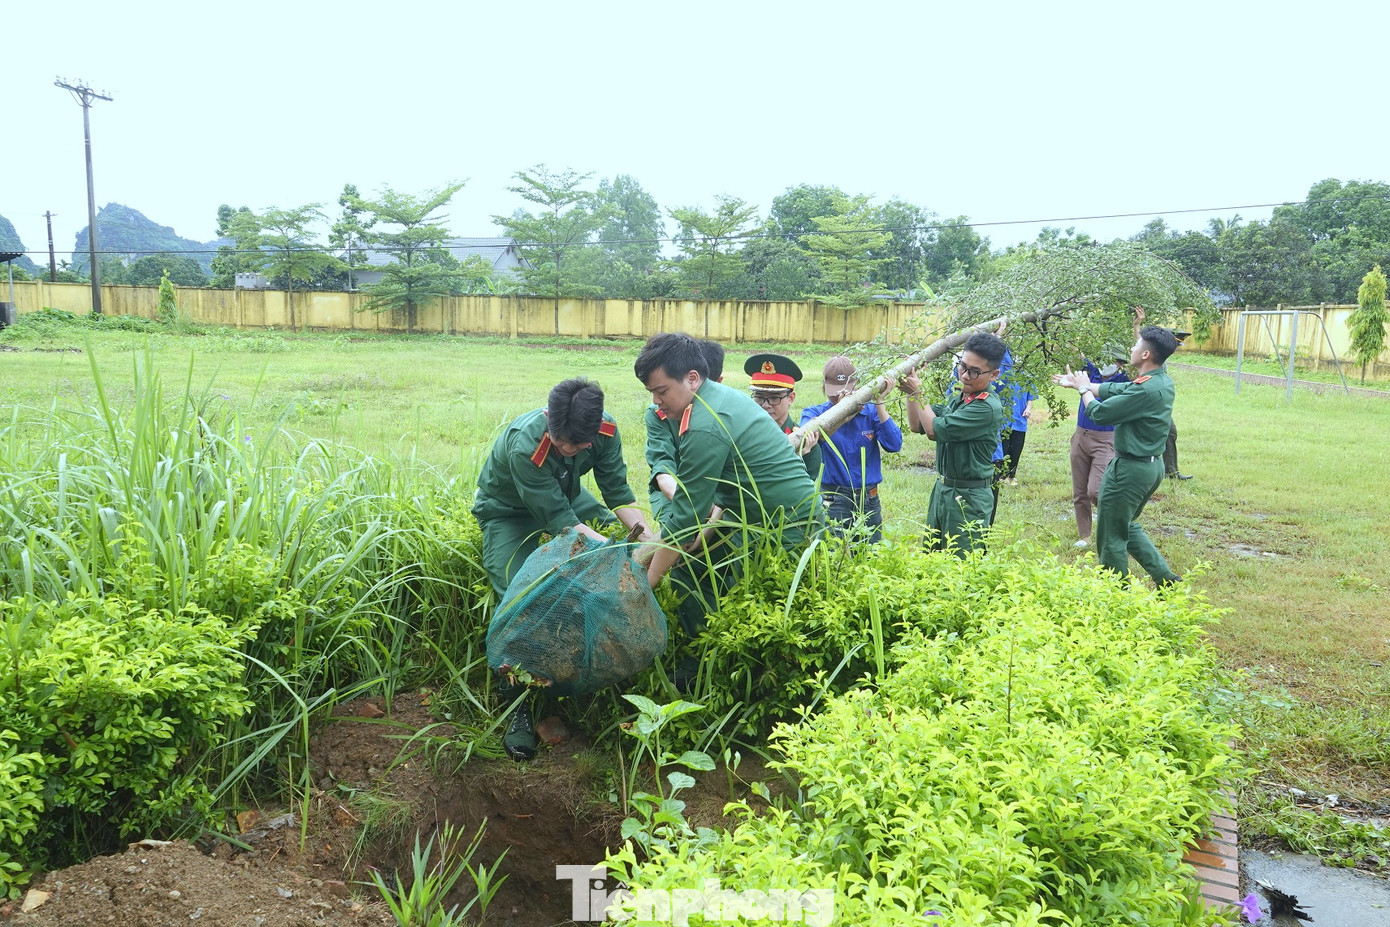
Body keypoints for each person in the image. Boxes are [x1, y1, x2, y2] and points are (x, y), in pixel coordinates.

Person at [472, 377, 652, 760]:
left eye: (576, 445)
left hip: (567, 498)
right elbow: (561, 521)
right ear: (550, 423)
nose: (567, 449)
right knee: (519, 597)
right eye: (561, 442)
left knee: (613, 553)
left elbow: (617, 492)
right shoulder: (528, 446)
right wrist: (607, 549)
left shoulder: (606, 430)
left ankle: (593, 672)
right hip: (509, 512)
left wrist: (647, 539)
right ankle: (518, 704)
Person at [634, 333, 819, 673]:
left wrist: (645, 584)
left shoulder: (704, 424)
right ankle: (706, 663)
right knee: (701, 570)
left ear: (692, 379)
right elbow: (716, 499)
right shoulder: (717, 399)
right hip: (759, 519)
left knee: (769, 617)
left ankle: (706, 672)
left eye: (662, 392)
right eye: (653, 394)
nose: (658, 402)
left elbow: (686, 518)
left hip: (784, 530)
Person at [1053, 325, 1183, 587]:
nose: (1132, 349)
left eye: (1136, 346)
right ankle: (1166, 578)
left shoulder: (1145, 389)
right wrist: (1087, 384)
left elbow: (1100, 414)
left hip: (1129, 470)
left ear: (1146, 354)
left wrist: (1083, 390)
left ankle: (1115, 592)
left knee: (1110, 533)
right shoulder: (1160, 380)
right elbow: (1118, 392)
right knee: (1125, 524)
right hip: (1149, 467)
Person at [903, 332, 1007, 556]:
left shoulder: (986, 408)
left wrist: (918, 391)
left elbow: (933, 431)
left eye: (974, 371)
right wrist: (911, 394)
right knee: (932, 557)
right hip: (943, 489)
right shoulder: (959, 397)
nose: (965, 376)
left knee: (961, 566)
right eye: (962, 366)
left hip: (968, 497)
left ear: (994, 374)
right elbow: (918, 425)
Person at [799, 356, 902, 543]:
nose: (838, 397)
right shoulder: (814, 414)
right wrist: (841, 417)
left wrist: (880, 403)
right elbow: (809, 440)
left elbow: (894, 445)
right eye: (832, 392)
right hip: (833, 498)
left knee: (870, 556)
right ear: (824, 387)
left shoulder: (871, 412)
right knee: (834, 554)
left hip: (868, 499)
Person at [647, 339, 726, 528]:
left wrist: (716, 510)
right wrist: (690, 506)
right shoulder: (659, 414)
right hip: (674, 491)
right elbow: (662, 466)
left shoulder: (727, 411)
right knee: (678, 533)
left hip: (720, 494)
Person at [1069, 344, 1131, 548]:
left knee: (1095, 490)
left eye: (1114, 360)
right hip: (1081, 436)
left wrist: (1136, 327)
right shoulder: (1091, 373)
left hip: (1106, 440)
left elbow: (1142, 365)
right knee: (1079, 492)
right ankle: (1084, 536)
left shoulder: (1123, 381)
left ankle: (1116, 524)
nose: (1108, 364)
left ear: (1120, 364)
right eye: (1105, 359)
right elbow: (1075, 351)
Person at [744, 352, 824, 483]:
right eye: (759, 397)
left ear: (790, 398)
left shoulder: (806, 444)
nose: (765, 405)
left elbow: (802, 492)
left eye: (774, 398)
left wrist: (797, 458)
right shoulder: (742, 436)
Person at [1165, 329, 1193, 480]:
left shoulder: (1162, 357)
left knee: (1170, 433)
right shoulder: (1153, 354)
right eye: (1175, 345)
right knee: (1168, 432)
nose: (1176, 349)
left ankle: (1170, 471)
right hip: (1150, 403)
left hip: (1160, 404)